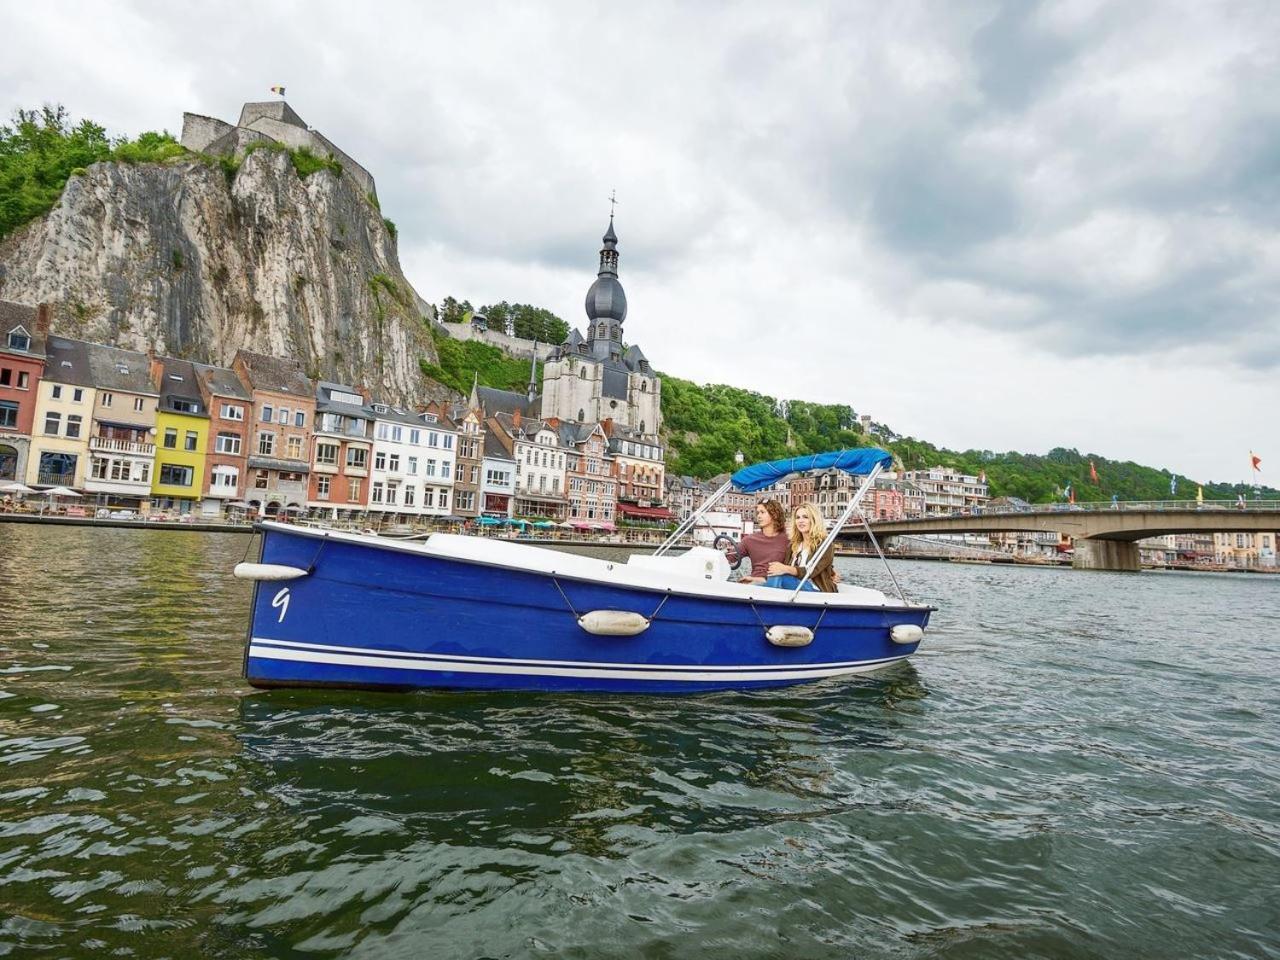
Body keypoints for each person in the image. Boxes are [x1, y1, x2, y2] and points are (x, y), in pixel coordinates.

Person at [766, 502, 838, 592]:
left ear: (814, 520)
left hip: (816, 590)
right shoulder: (794, 545)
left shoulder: (825, 544)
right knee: (757, 584)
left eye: (805, 517)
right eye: (798, 517)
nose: (800, 521)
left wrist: (786, 569)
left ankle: (769, 601)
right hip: (794, 588)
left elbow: (811, 571)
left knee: (780, 576)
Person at [726, 500, 790, 584]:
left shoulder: (788, 540)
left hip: (778, 586)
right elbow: (728, 558)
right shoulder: (749, 540)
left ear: (774, 515)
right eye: (758, 513)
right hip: (754, 585)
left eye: (762, 512)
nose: (758, 516)